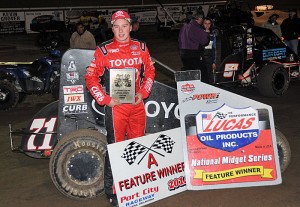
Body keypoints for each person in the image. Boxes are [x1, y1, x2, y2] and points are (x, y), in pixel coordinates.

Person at [85, 10, 156, 207]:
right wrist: (106, 100)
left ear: (130, 26)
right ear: (112, 27)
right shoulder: (103, 50)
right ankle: (114, 192)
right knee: (116, 148)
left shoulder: (141, 47)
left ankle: (136, 187)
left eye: (124, 26)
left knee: (137, 146)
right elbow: (90, 78)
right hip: (116, 108)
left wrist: (143, 93)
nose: (121, 30)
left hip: (137, 106)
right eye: (116, 26)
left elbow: (150, 71)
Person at [178, 13, 210, 83]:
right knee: (202, 73)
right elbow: (205, 42)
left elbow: (179, 40)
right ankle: (204, 89)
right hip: (195, 54)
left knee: (189, 73)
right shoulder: (196, 28)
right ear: (200, 19)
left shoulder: (184, 27)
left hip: (183, 53)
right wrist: (207, 33)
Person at [203, 17, 217, 83]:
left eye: (209, 23)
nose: (207, 25)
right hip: (201, 57)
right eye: (205, 23)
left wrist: (214, 62)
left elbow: (214, 49)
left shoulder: (213, 35)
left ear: (211, 24)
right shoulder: (200, 34)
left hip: (210, 57)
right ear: (203, 24)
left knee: (209, 76)